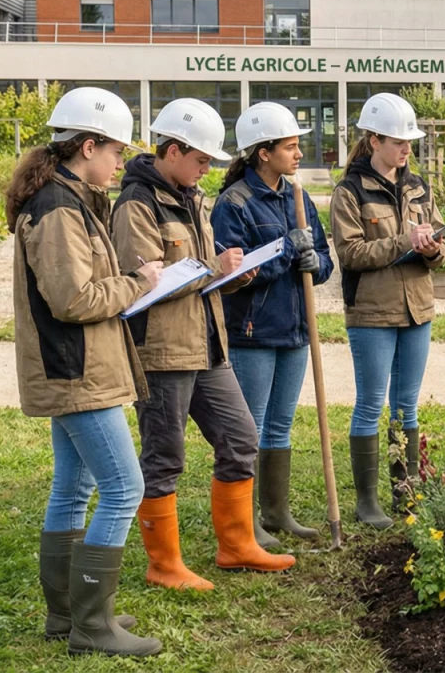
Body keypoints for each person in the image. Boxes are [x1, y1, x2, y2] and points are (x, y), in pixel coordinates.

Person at [113, 98, 296, 590]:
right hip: (163, 352)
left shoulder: (191, 197)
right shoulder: (136, 204)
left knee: (241, 438)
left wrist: (233, 275)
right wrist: (215, 270)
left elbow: (199, 269)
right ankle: (163, 565)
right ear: (173, 150)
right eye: (200, 160)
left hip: (208, 345)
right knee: (164, 456)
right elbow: (145, 280)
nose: (205, 170)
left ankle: (236, 547)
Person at [7, 86, 164, 657]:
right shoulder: (57, 208)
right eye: (116, 152)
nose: (121, 163)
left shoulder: (69, 199)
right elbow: (72, 299)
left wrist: (127, 280)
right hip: (75, 371)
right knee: (126, 487)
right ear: (87, 145)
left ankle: (67, 615)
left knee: (75, 488)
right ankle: (92, 628)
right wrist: (139, 284)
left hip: (74, 368)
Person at [211, 102, 334, 548]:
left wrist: (313, 260)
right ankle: (245, 522)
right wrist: (286, 254)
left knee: (281, 425)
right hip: (253, 333)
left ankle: (277, 511)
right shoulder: (234, 204)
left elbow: (324, 263)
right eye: (291, 146)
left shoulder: (298, 198)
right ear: (262, 152)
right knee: (253, 428)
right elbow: (233, 274)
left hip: (297, 330)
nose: (299, 154)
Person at [330, 92, 445, 529]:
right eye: (399, 141)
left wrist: (434, 249)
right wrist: (404, 241)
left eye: (409, 141)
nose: (406, 149)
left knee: (407, 407)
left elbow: (441, 248)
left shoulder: (418, 186)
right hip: (372, 313)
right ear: (374, 140)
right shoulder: (349, 191)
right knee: (370, 405)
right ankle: (366, 501)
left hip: (418, 309)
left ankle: (405, 491)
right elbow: (352, 253)